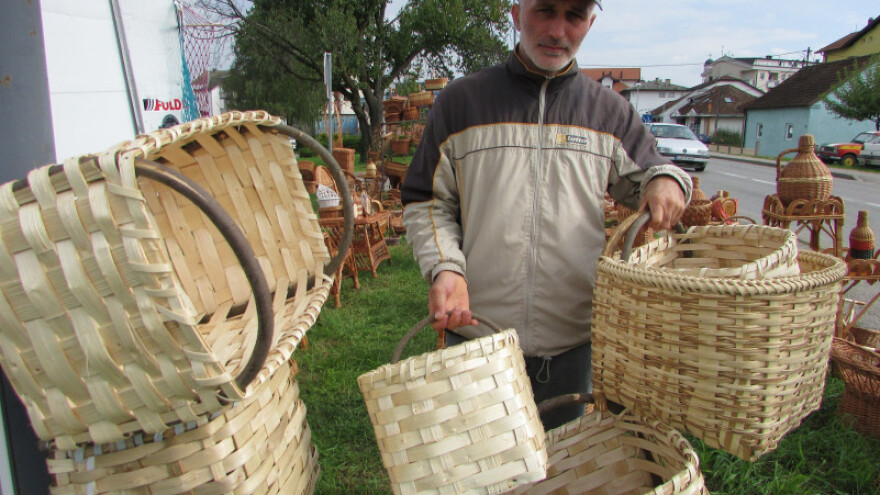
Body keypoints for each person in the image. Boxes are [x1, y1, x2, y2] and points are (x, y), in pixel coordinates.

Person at [400, 0, 691, 429]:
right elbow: (426, 200)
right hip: (477, 338)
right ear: (516, 14)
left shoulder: (609, 112)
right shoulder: (462, 102)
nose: (558, 30)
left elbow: (649, 174)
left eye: (574, 16)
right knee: (480, 461)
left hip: (572, 348)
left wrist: (665, 180)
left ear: (590, 23)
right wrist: (445, 268)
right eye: (545, 10)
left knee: (560, 462)